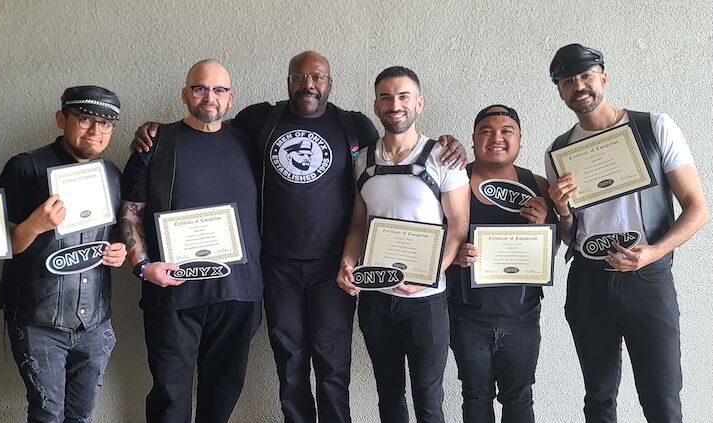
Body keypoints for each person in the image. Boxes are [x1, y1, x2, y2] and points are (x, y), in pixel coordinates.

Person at [132, 51, 467, 423]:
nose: (309, 84)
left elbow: (392, 152)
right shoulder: (259, 120)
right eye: (299, 77)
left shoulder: (354, 126)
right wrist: (155, 131)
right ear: (288, 81)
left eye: (317, 77)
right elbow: (208, 125)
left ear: (329, 83)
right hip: (277, 267)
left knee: (333, 364)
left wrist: (449, 145)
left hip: (332, 268)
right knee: (290, 365)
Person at [545, 43, 708, 422]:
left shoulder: (654, 127)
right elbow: (569, 235)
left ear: (603, 78)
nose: (578, 86)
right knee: (598, 399)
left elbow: (697, 208)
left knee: (662, 399)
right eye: (567, 82)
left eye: (586, 76)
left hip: (647, 278)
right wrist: (562, 209)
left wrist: (655, 252)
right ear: (561, 92)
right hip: (588, 281)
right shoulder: (558, 151)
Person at [118, 60, 263, 423]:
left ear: (230, 98)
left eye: (218, 90)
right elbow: (130, 214)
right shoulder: (154, 144)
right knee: (169, 397)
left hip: (237, 293)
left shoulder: (250, 145)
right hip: (173, 292)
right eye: (200, 88)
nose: (209, 97)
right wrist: (143, 267)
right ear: (185, 94)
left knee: (223, 393)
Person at [336, 66, 470, 423]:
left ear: (419, 103)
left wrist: (429, 276)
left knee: (429, 400)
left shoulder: (444, 158)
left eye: (403, 96)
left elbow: (458, 227)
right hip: (376, 299)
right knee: (389, 395)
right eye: (386, 97)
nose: (395, 105)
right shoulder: (363, 160)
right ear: (376, 105)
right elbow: (358, 224)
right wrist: (348, 261)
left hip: (426, 302)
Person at [0, 86, 127, 422]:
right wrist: (35, 225)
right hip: (38, 320)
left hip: (95, 321)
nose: (95, 131)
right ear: (61, 119)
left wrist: (119, 250)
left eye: (106, 123)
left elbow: (112, 232)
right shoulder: (24, 167)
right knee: (47, 415)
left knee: (82, 416)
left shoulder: (112, 174)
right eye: (84, 119)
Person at [446, 105, 554, 422]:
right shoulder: (453, 182)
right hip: (467, 315)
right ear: (473, 139)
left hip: (522, 315)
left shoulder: (538, 185)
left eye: (507, 130)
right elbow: (435, 240)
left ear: (520, 139)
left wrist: (542, 226)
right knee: (475, 396)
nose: (497, 137)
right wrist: (453, 256)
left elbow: (556, 247)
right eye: (486, 131)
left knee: (519, 398)